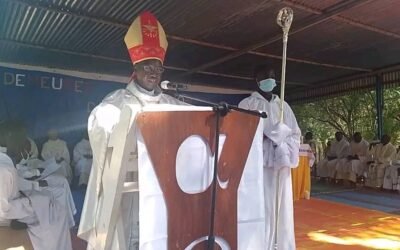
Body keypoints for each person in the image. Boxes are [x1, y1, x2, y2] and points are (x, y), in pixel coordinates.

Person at [78, 12, 182, 249]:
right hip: (126, 192)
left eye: (158, 67)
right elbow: (99, 125)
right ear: (135, 67)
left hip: (161, 189)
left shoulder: (173, 104)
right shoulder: (116, 102)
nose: (153, 72)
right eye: (147, 66)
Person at [238, 64, 301, 250]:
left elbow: (295, 134)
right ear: (256, 80)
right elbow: (241, 134)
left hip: (281, 163)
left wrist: (281, 142)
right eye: (265, 76)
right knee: (261, 204)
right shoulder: (247, 105)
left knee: (281, 205)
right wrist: (268, 136)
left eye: (272, 76)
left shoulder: (283, 106)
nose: (270, 79)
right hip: (259, 166)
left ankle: (281, 244)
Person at [0, 121, 72, 250]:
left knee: (50, 202)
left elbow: (14, 184)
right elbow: (3, 210)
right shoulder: (3, 169)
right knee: (56, 215)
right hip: (8, 216)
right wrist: (30, 202)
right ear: (10, 137)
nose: (25, 143)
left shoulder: (5, 161)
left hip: (16, 206)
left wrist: (34, 189)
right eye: (22, 139)